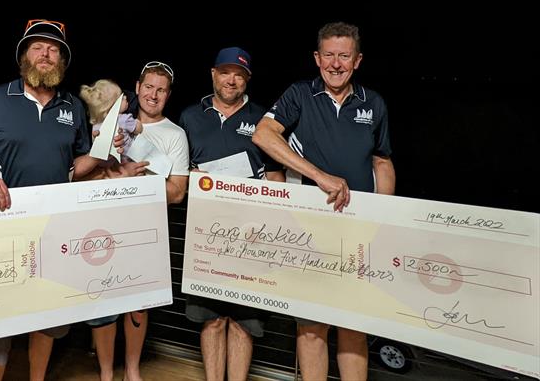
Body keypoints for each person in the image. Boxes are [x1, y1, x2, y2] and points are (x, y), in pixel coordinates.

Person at [0, 19, 111, 381]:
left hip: (52, 232)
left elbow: (75, 167)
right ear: (24, 56)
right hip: (3, 231)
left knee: (45, 322)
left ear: (61, 59)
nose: (45, 54)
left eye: (53, 49)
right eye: (37, 47)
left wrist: (103, 154)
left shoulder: (73, 108)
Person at [252, 22, 396, 381]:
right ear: (317, 58)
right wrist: (319, 176)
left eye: (344, 56)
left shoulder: (374, 103)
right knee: (312, 327)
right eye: (328, 55)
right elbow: (263, 135)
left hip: (358, 236)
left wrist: (384, 216)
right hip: (309, 233)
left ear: (357, 60)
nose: (336, 64)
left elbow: (382, 159)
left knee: (353, 327)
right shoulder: (299, 94)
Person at [178, 46, 285, 381]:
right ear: (213, 74)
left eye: (239, 74)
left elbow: (276, 176)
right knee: (210, 319)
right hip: (205, 233)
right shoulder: (190, 117)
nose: (231, 79)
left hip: (251, 236)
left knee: (244, 323)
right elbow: (181, 172)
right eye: (225, 72)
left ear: (247, 79)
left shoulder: (264, 120)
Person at [90, 61, 189, 381]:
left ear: (168, 94)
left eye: (161, 89)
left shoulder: (176, 135)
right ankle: (106, 373)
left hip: (147, 230)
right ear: (137, 87)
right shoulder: (112, 124)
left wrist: (135, 180)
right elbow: (91, 175)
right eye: (149, 87)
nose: (153, 94)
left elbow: (176, 193)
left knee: (139, 305)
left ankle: (132, 370)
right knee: (103, 303)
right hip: (105, 225)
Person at [80, 79, 143, 165]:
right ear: (112, 106)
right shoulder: (123, 119)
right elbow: (138, 129)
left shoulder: (96, 125)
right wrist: (137, 121)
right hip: (129, 160)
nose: (125, 97)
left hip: (108, 165)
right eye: (121, 97)